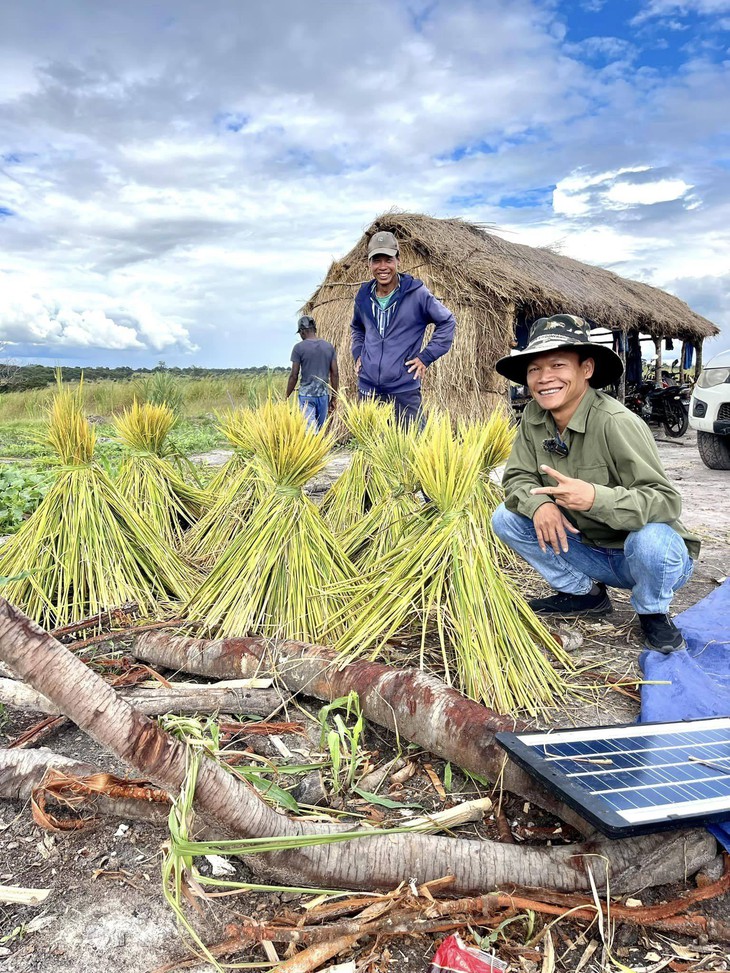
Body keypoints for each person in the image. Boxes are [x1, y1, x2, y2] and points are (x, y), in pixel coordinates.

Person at [491, 313, 700, 654]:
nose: (544, 379)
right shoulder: (533, 417)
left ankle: (652, 611)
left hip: (642, 558)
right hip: (588, 550)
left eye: (557, 365)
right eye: (534, 369)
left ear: (586, 369)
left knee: (652, 539)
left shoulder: (616, 422)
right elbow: (517, 477)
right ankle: (583, 594)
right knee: (506, 517)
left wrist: (594, 499)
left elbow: (664, 501)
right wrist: (540, 504)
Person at [351, 230, 456, 426]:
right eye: (376, 260)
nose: (383, 267)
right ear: (369, 263)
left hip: (404, 390)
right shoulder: (363, 296)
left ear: (398, 260)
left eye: (388, 260)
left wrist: (426, 357)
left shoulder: (416, 294)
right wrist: (358, 352)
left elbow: (447, 321)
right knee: (372, 449)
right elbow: (357, 328)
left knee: (413, 448)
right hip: (368, 390)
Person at [286, 315, 338, 431]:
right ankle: (321, 448)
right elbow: (335, 374)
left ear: (302, 332)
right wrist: (334, 398)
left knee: (310, 432)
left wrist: (286, 395)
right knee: (320, 430)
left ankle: (314, 449)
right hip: (323, 395)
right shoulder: (328, 347)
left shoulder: (298, 348)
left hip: (306, 396)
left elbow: (294, 375)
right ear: (315, 329)